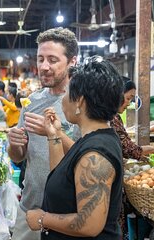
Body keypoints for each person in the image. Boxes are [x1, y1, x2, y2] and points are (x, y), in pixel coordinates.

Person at [26, 56, 124, 239]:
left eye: (66, 92)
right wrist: (54, 135)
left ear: (79, 101)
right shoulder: (91, 140)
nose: (63, 98)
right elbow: (60, 177)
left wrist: (42, 218)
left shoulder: (96, 154)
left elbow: (89, 224)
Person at [7, 27, 79, 240]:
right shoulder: (32, 102)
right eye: (40, 59)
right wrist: (15, 144)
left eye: (53, 60)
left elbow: (89, 156)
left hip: (68, 214)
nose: (44, 67)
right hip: (30, 207)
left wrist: (53, 133)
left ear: (72, 61)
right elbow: (18, 157)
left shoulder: (82, 104)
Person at [110, 77, 154, 159]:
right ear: (117, 94)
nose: (129, 103)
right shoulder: (109, 118)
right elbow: (128, 149)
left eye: (131, 99)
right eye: (128, 98)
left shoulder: (116, 117)